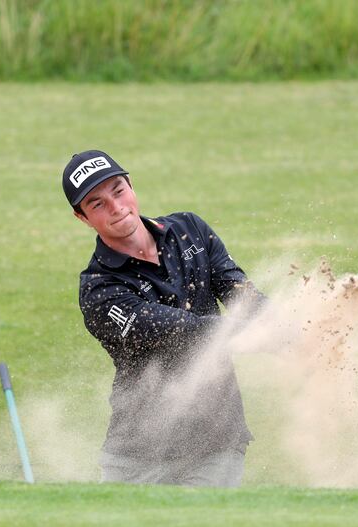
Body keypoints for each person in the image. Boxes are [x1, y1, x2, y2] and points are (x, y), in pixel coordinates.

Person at [61, 149, 265, 487]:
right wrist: (254, 332)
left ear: (131, 186)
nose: (116, 207)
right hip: (136, 456)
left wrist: (303, 324)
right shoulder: (99, 289)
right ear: (81, 217)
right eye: (97, 204)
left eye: (118, 190)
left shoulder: (190, 231)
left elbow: (242, 295)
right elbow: (181, 330)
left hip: (217, 443)